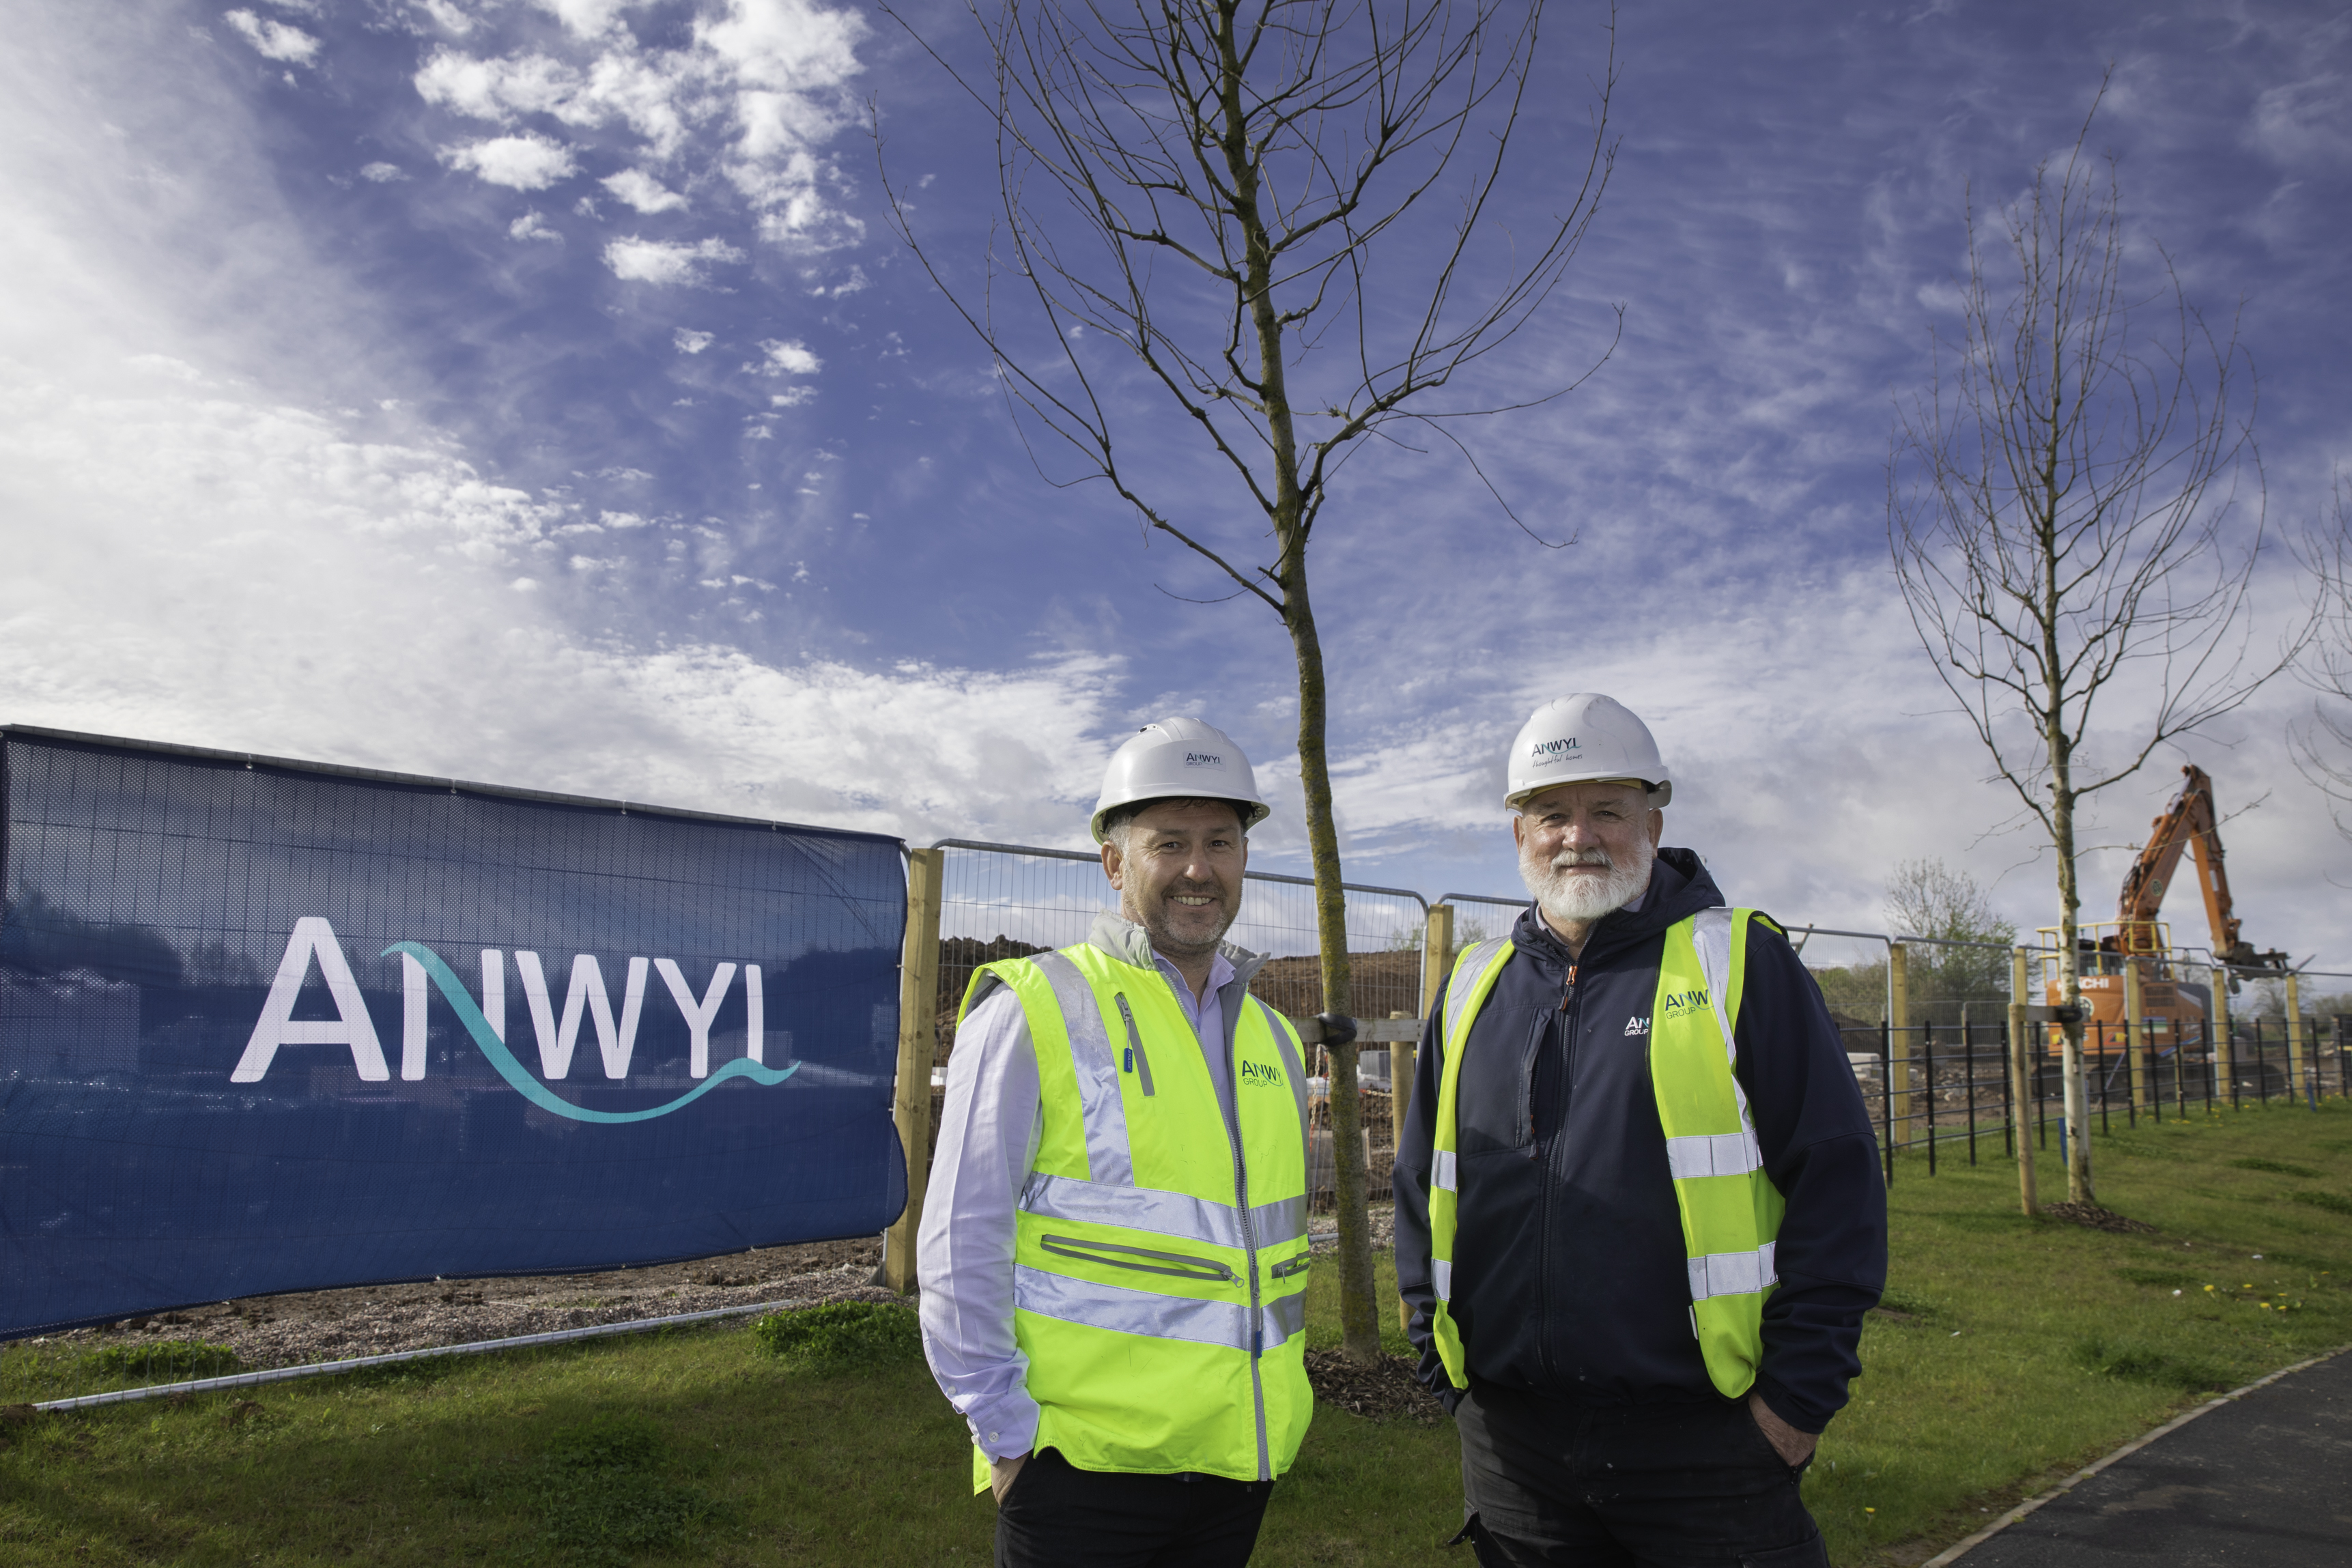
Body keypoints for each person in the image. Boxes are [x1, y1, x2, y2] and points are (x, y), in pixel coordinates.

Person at [1393, 694, 1887, 1568]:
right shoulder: (1473, 985)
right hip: (1515, 1451)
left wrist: (1794, 1408)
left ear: (1652, 823)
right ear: (1519, 835)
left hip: (1708, 1447)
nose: (1577, 835)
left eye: (1607, 810)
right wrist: (1449, 1380)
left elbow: (1839, 1187)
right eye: (1551, 813)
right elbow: (1419, 1191)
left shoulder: (1739, 961)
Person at [918, 717, 1315, 1568]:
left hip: (1237, 1465)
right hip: (1078, 1476)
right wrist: (1005, 1434)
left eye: (1219, 840)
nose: (1198, 868)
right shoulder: (1030, 1008)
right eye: (1168, 842)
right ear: (1113, 863)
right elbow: (959, 1238)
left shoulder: (1275, 1038)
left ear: (1245, 858)